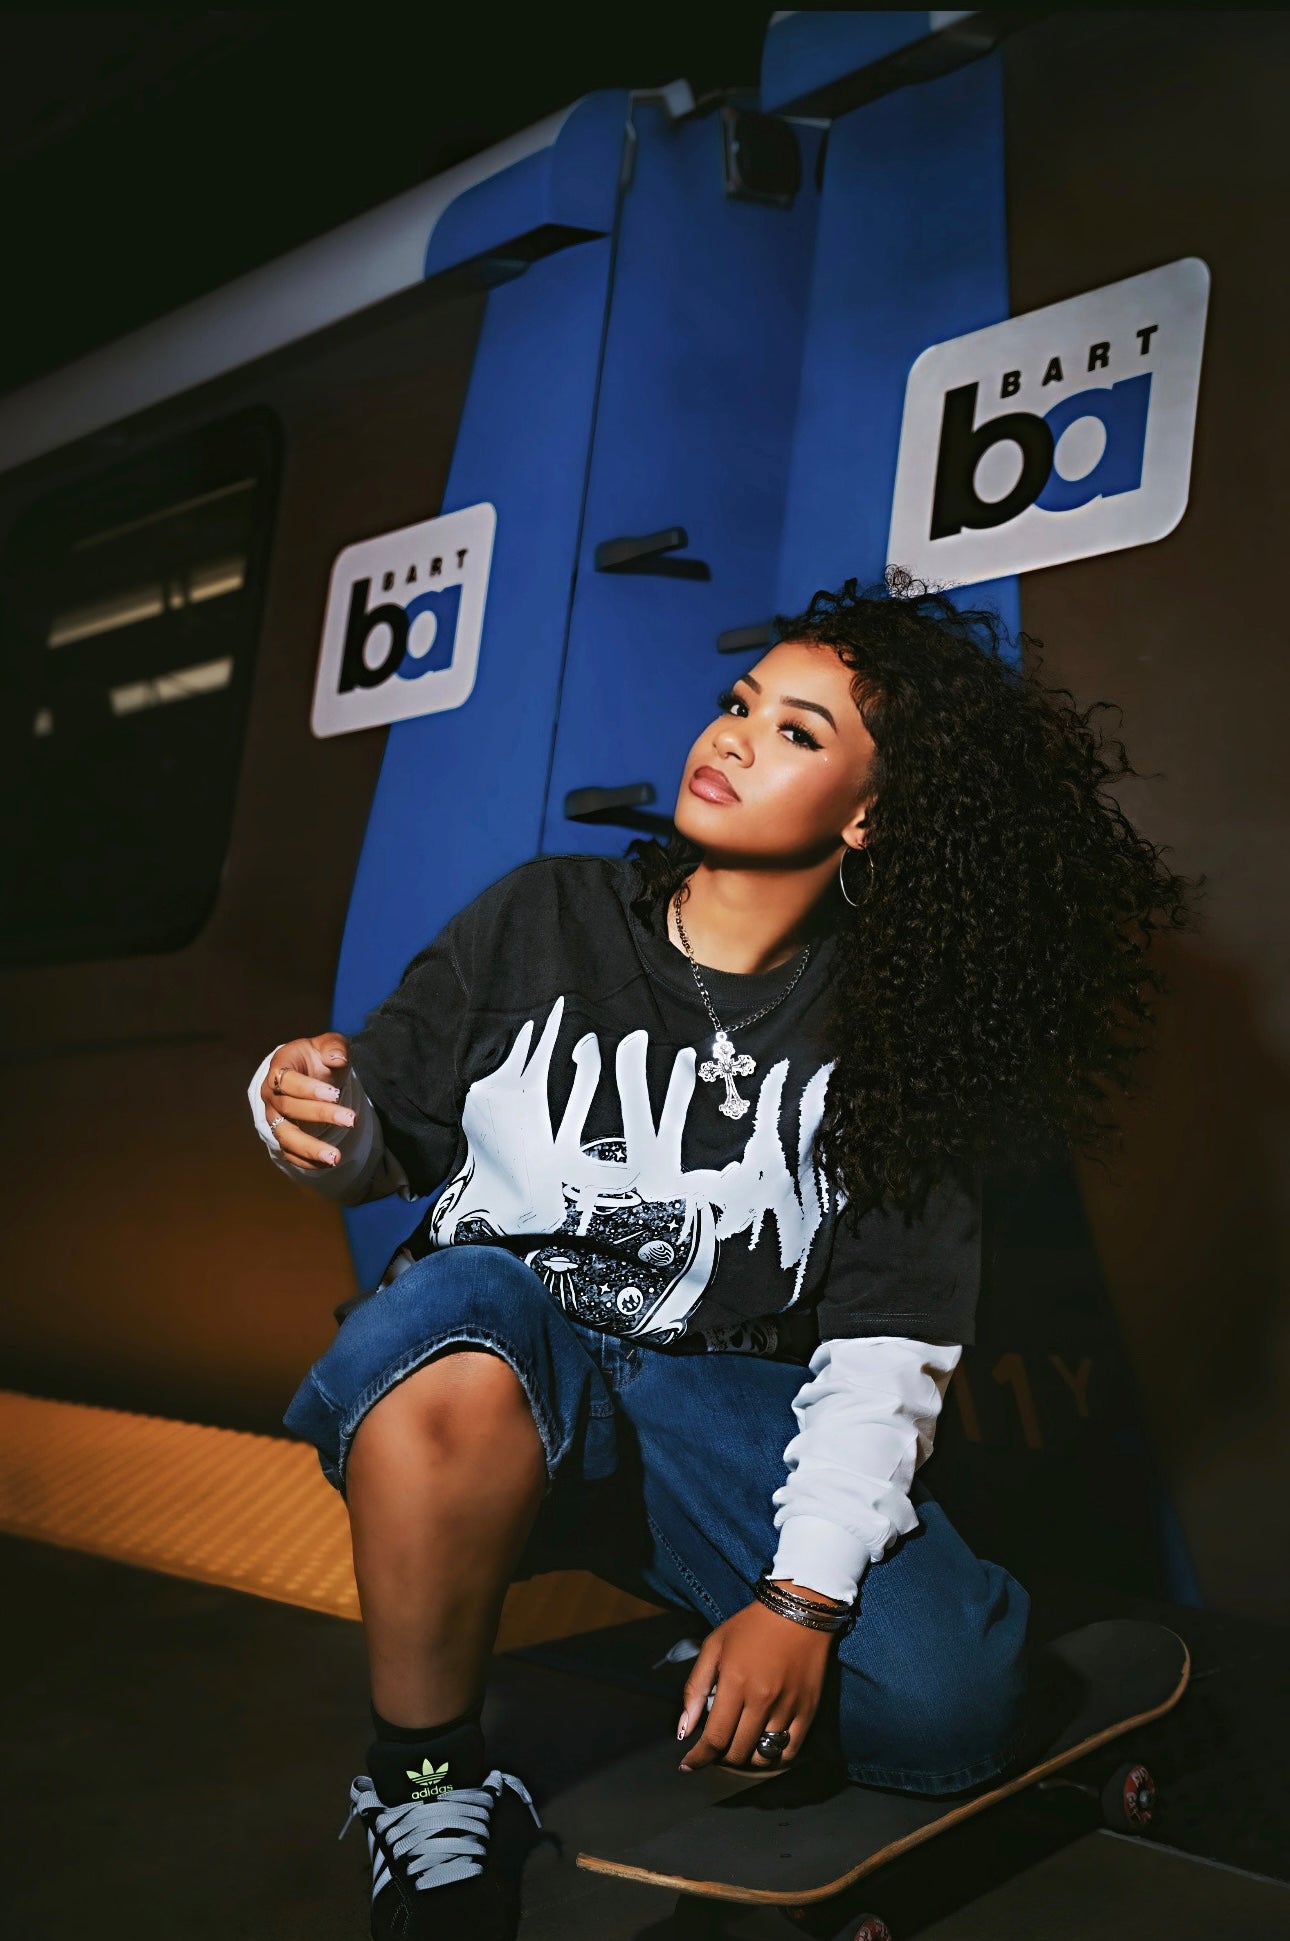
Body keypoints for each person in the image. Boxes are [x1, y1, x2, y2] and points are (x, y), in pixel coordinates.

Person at [248, 573, 1190, 1939]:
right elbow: (376, 1135)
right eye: (742, 703)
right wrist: (308, 1111)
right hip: (488, 1376)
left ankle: (717, 1603)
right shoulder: (544, 916)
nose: (734, 737)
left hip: (714, 1410)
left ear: (869, 816)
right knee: (461, 1302)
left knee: (949, 1710)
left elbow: (885, 1350)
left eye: (798, 732)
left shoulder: (897, 1031)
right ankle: (429, 1781)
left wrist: (797, 1602)